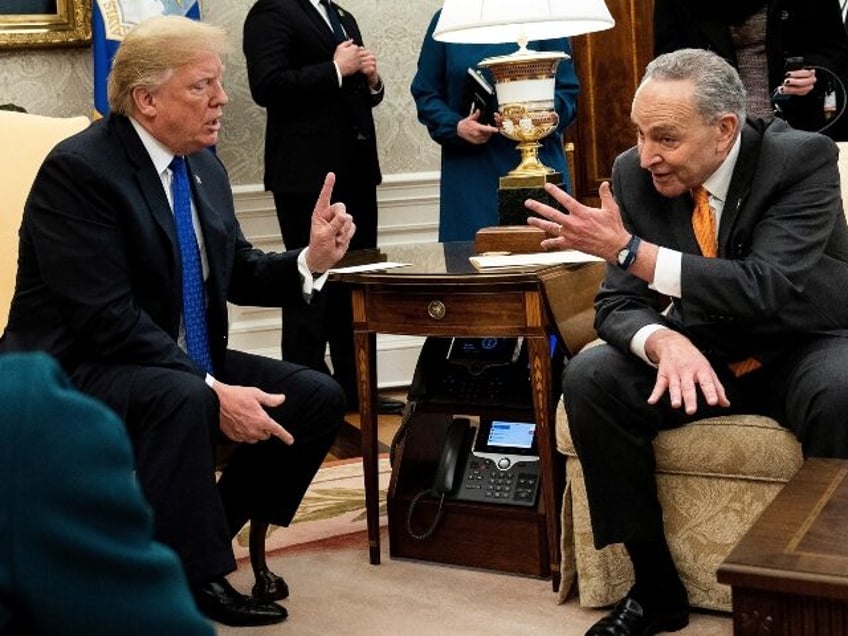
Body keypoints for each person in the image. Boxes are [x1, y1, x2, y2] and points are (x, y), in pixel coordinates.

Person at [0, 15, 354, 628]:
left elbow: (237, 270)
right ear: (147, 99)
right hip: (77, 365)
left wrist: (308, 260)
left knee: (316, 396)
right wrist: (213, 388)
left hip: (172, 359)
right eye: (203, 86)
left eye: (219, 84)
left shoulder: (203, 166)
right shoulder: (81, 170)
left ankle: (193, 535)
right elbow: (104, 318)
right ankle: (196, 575)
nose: (222, 100)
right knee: (182, 396)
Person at [524, 48, 848, 635]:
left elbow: (766, 286)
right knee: (592, 379)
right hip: (700, 354)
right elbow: (616, 305)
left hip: (801, 344)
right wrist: (658, 343)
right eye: (640, 133)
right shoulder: (633, 173)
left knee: (844, 388)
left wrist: (630, 251)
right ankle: (655, 590)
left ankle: (826, 596)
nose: (648, 155)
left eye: (666, 138)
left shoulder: (800, 160)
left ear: (724, 130)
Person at [242, 0, 401, 414]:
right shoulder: (270, 13)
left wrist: (371, 80)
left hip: (358, 173)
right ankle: (304, 393)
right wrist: (335, 69)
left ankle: (358, 389)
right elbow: (268, 86)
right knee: (308, 287)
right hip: (305, 177)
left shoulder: (342, 16)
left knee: (356, 285)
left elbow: (360, 96)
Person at [0, 352, 215, 636]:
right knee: (186, 395)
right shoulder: (27, 414)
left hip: (176, 363)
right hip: (98, 367)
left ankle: (209, 555)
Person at [411, 8, 580, 242]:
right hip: (470, 173)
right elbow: (426, 93)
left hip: (538, 164)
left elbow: (567, 91)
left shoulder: (543, 11)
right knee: (472, 266)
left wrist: (532, 117)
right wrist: (456, 126)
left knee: (545, 265)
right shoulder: (449, 17)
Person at [653, 0, 848, 140]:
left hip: (794, 124)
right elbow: (668, 60)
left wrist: (812, 71)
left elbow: (833, 46)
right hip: (712, 127)